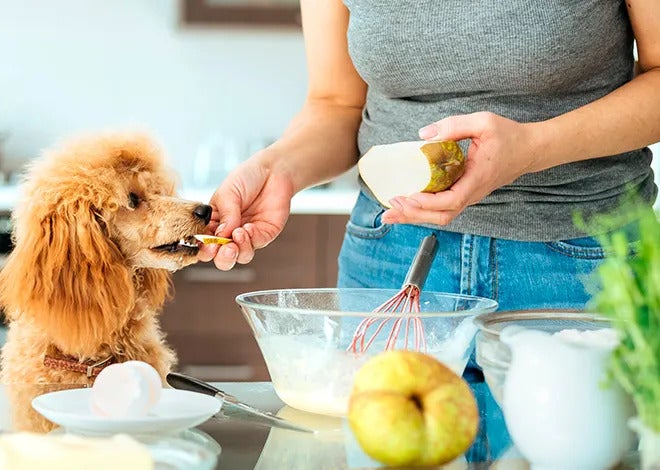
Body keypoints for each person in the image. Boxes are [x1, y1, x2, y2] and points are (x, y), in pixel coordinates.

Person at [198, 0, 660, 461]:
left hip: (578, 263)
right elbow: (335, 104)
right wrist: (276, 169)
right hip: (390, 258)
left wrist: (532, 148)